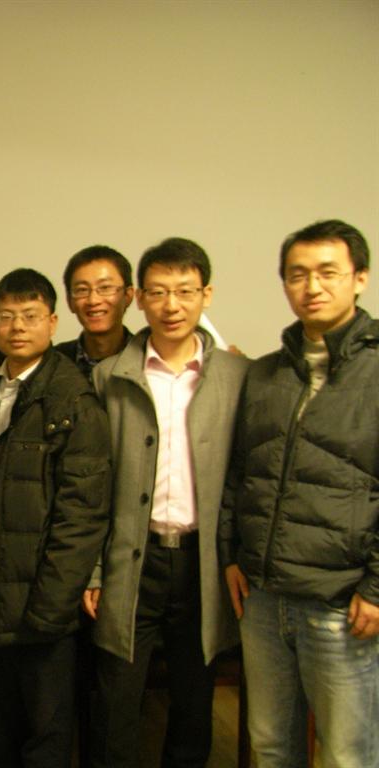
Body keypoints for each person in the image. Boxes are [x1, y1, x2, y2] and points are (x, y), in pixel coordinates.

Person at [219, 219, 378, 768]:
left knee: (347, 754)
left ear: (360, 278)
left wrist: (377, 588)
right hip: (263, 599)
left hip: (342, 603)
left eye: (328, 272)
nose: (312, 286)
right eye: (297, 274)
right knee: (270, 746)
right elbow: (239, 474)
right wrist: (232, 555)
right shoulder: (265, 374)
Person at [86, 239, 249, 768]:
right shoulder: (110, 376)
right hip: (132, 558)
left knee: (193, 702)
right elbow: (92, 485)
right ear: (138, 299)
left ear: (207, 294)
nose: (171, 305)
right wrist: (94, 569)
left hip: (202, 562)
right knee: (116, 699)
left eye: (184, 291)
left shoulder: (237, 376)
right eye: (157, 292)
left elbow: (245, 476)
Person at [0, 268, 111, 768]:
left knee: (46, 734)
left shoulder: (72, 398)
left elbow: (82, 515)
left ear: (52, 322)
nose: (17, 327)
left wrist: (51, 607)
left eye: (29, 316)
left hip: (41, 605)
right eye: (6, 316)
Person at [55, 245, 135, 381]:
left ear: (128, 295)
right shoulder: (54, 363)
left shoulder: (149, 359)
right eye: (82, 290)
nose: (93, 300)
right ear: (69, 301)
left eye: (105, 288)